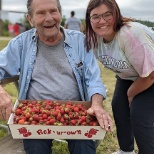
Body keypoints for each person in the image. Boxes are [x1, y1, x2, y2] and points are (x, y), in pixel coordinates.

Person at [0, 0, 113, 154]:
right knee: (36, 150)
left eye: (53, 11)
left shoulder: (81, 41)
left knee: (84, 149)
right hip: (36, 116)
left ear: (60, 14)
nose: (49, 18)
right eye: (41, 13)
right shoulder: (21, 44)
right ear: (30, 19)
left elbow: (93, 79)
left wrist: (97, 105)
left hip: (76, 112)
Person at [84, 0, 154, 154]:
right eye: (95, 17)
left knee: (139, 114)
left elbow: (149, 75)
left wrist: (130, 94)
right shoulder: (93, 38)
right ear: (89, 20)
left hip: (151, 75)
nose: (101, 21)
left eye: (107, 15)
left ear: (116, 14)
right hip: (130, 75)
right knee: (118, 106)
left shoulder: (130, 35)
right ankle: (126, 151)